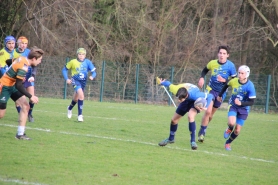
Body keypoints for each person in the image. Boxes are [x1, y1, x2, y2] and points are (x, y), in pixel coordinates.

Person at [0, 47, 44, 140]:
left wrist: (12, 72)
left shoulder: (21, 58)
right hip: (4, 87)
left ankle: (20, 134)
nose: (40, 62)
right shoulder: (24, 66)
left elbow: (8, 61)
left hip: (12, 86)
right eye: (40, 60)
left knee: (25, 106)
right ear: (34, 59)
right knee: (1, 115)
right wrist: (31, 96)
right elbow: (19, 85)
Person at [157, 77, 213, 150]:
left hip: (194, 102)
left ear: (185, 96)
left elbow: (210, 96)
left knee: (190, 116)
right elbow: (168, 84)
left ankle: (193, 142)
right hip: (186, 101)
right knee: (174, 120)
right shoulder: (176, 89)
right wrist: (161, 82)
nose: (178, 100)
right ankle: (171, 139)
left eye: (180, 99)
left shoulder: (196, 95)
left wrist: (206, 107)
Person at [197, 45, 237, 142]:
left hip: (221, 93)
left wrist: (224, 80)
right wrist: (202, 77)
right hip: (210, 90)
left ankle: (204, 128)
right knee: (207, 111)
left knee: (210, 115)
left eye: (224, 53)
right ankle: (201, 133)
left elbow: (234, 80)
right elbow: (205, 70)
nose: (221, 55)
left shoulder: (231, 66)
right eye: (220, 53)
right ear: (217, 54)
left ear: (228, 55)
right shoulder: (212, 63)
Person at [217, 65, 256, 150]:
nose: (240, 75)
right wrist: (220, 95)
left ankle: (228, 143)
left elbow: (252, 102)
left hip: (244, 108)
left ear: (247, 74)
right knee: (231, 123)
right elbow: (226, 85)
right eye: (239, 73)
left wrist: (241, 103)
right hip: (233, 106)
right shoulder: (234, 81)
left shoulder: (250, 86)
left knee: (237, 130)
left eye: (242, 73)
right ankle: (229, 128)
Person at [62, 48, 96, 122]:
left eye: (83, 54)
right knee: (81, 95)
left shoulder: (88, 62)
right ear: (77, 55)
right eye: (79, 54)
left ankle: (69, 108)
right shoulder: (73, 62)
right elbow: (64, 69)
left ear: (85, 55)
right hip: (75, 80)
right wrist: (67, 79)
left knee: (76, 99)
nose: (81, 56)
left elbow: (94, 72)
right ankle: (80, 115)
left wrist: (92, 76)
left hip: (83, 82)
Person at [13, 36, 36, 122]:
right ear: (18, 43)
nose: (23, 45)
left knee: (32, 96)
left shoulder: (29, 52)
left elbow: (34, 65)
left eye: (25, 43)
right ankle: (21, 114)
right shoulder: (14, 52)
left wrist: (33, 75)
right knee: (18, 98)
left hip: (28, 78)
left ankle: (29, 114)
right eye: (22, 43)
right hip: (18, 78)